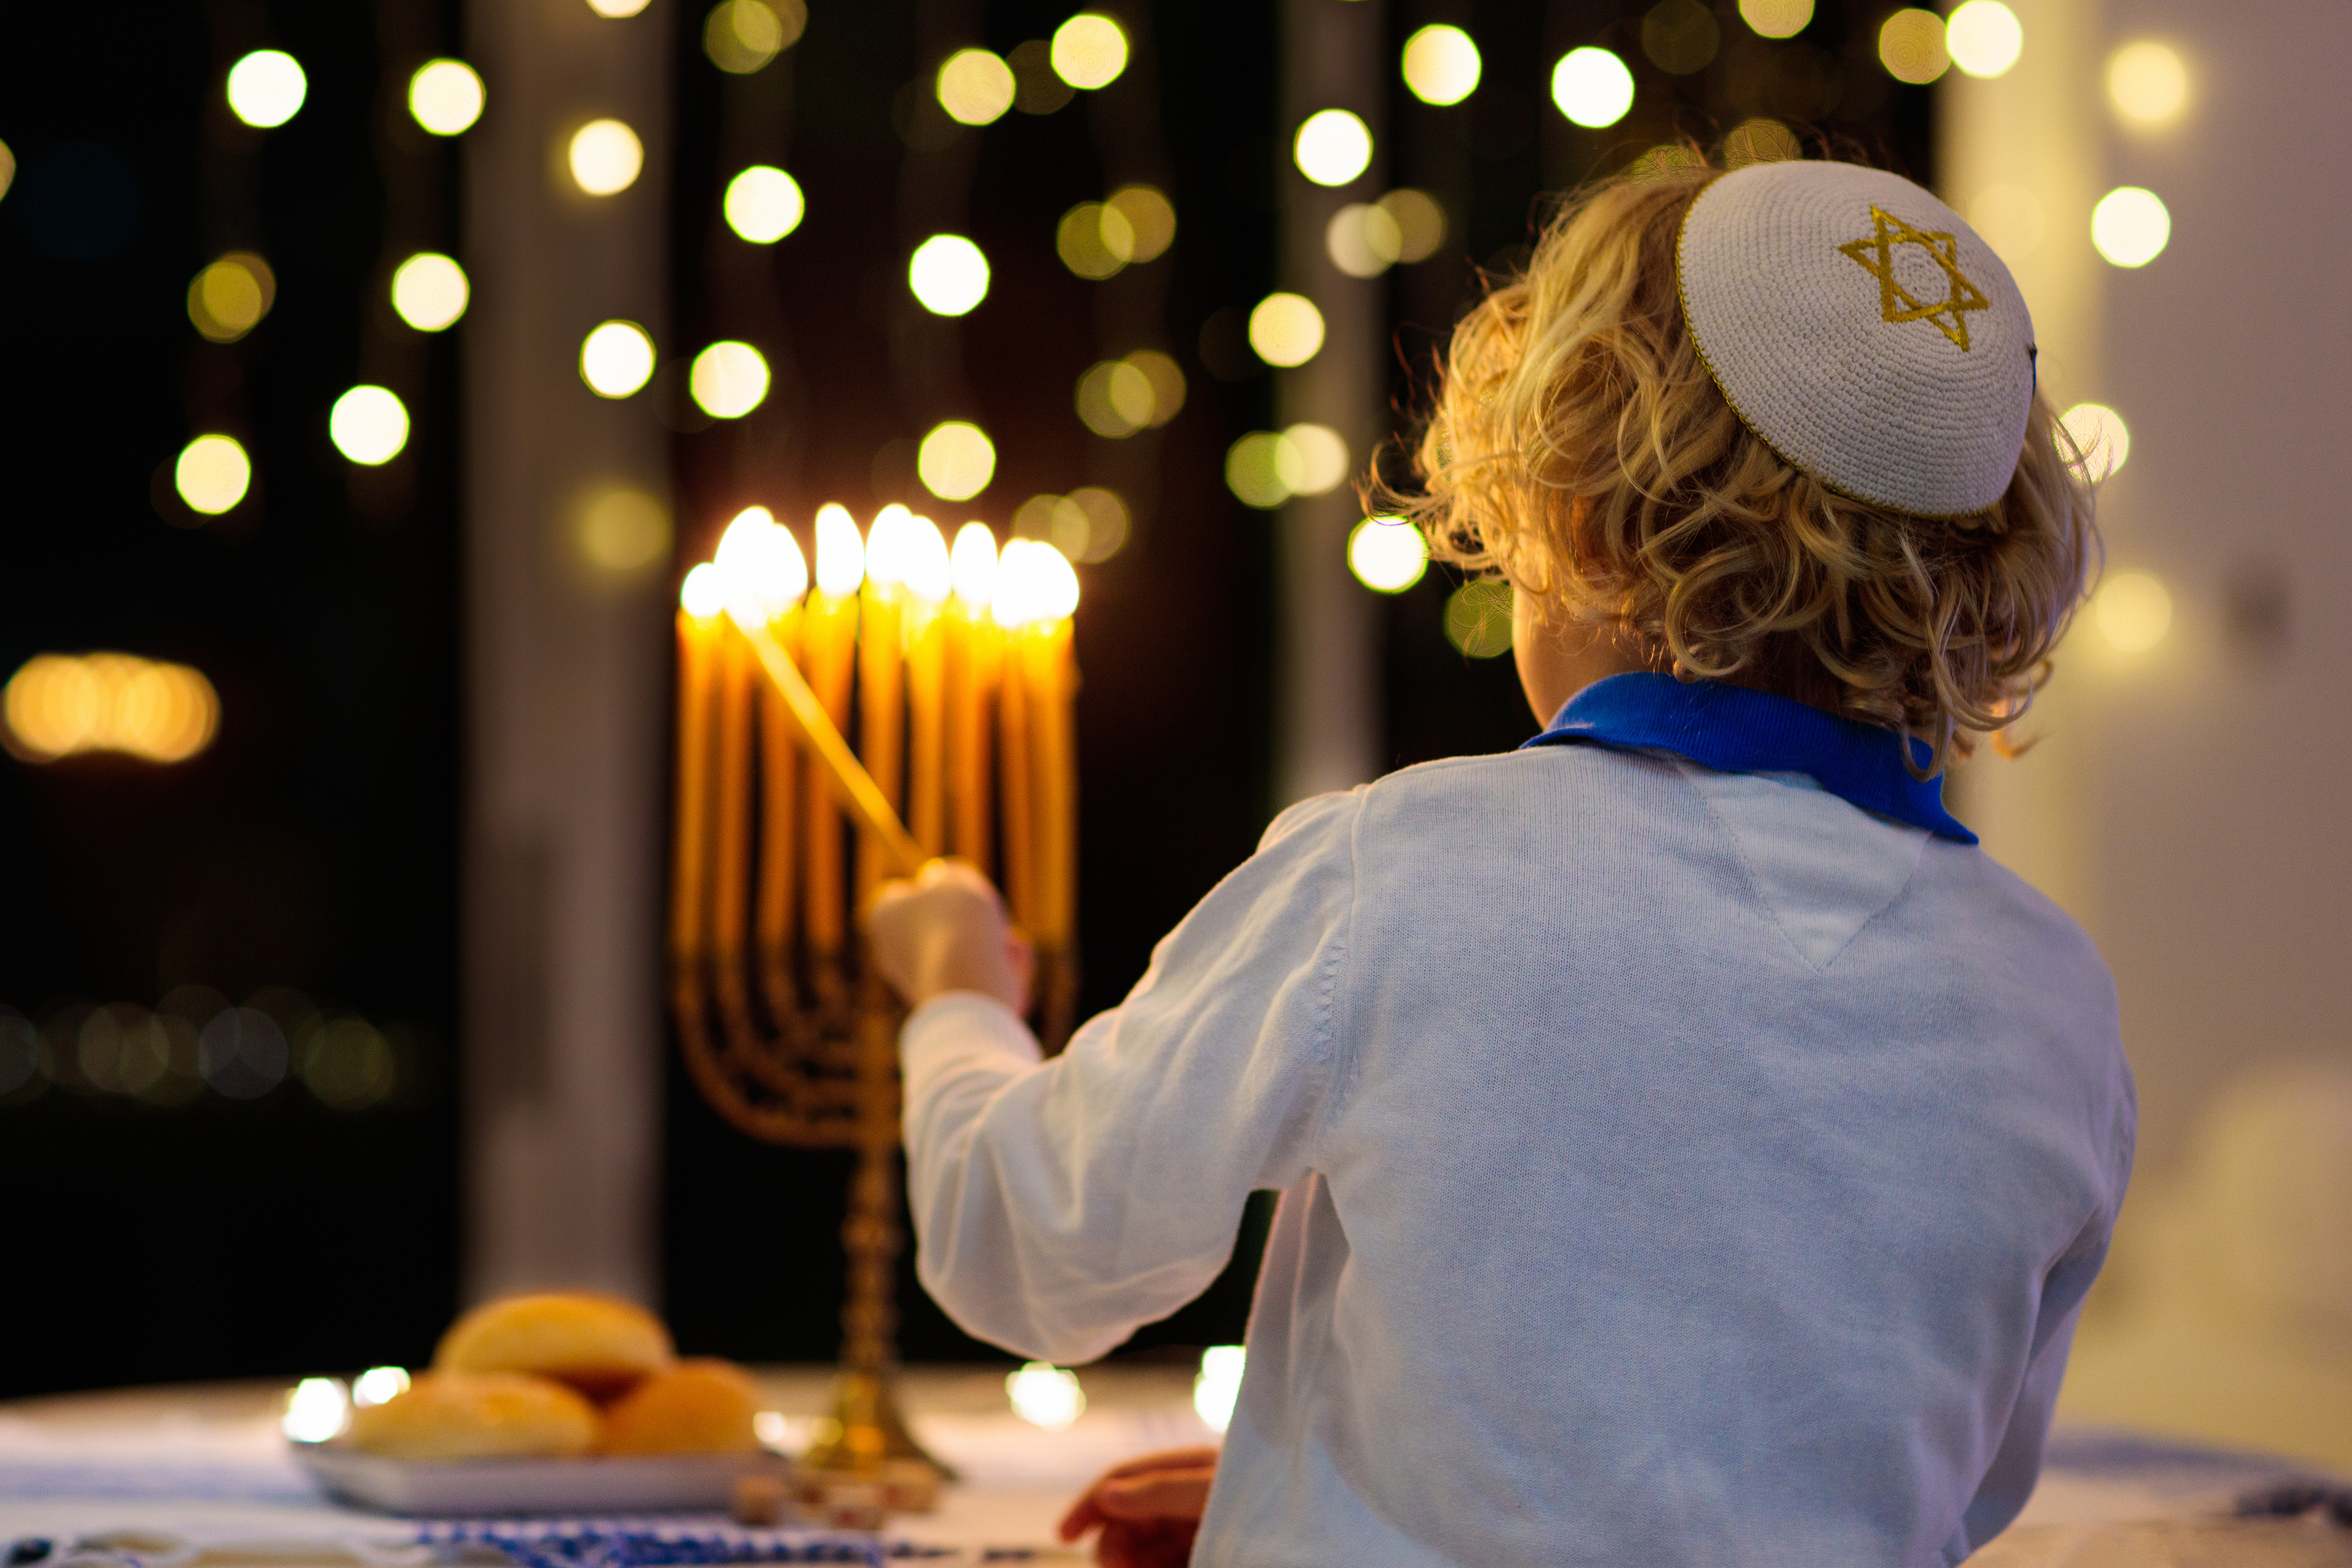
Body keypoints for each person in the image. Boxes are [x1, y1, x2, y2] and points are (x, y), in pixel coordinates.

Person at [869, 154, 2133, 1567]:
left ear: (1574, 516)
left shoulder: (1397, 872)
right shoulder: (2050, 992)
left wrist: (959, 994)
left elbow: (1032, 1252)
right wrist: (1289, 1476)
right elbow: (1931, 1486)